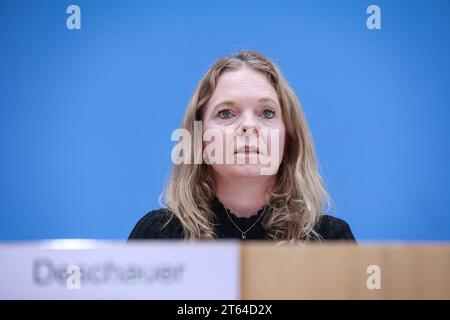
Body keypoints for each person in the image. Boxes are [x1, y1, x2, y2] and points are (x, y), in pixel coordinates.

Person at [128, 50, 355, 242]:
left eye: (267, 113)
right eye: (226, 113)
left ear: (288, 141)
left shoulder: (330, 240)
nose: (248, 126)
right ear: (199, 139)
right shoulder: (157, 236)